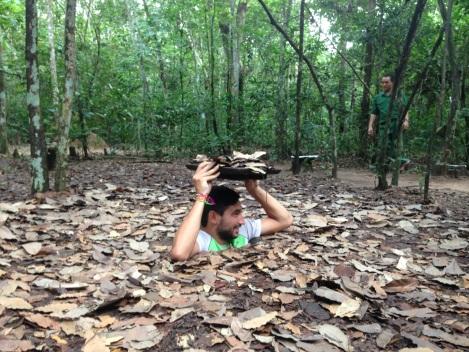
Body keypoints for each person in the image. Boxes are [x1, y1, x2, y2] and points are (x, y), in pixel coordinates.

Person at [170, 161, 293, 261]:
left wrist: (254, 189)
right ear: (214, 217)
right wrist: (202, 195)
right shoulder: (203, 239)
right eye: (235, 213)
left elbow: (284, 220)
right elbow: (179, 254)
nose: (242, 221)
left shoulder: (242, 230)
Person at [368, 74, 410, 171]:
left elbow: (405, 110)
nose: (384, 84)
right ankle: (401, 162)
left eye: (386, 82)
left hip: (397, 123)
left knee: (394, 145)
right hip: (383, 125)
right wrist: (370, 126)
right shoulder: (378, 98)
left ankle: (396, 164)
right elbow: (374, 113)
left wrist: (406, 121)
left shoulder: (400, 96)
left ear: (393, 83)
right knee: (383, 145)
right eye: (382, 82)